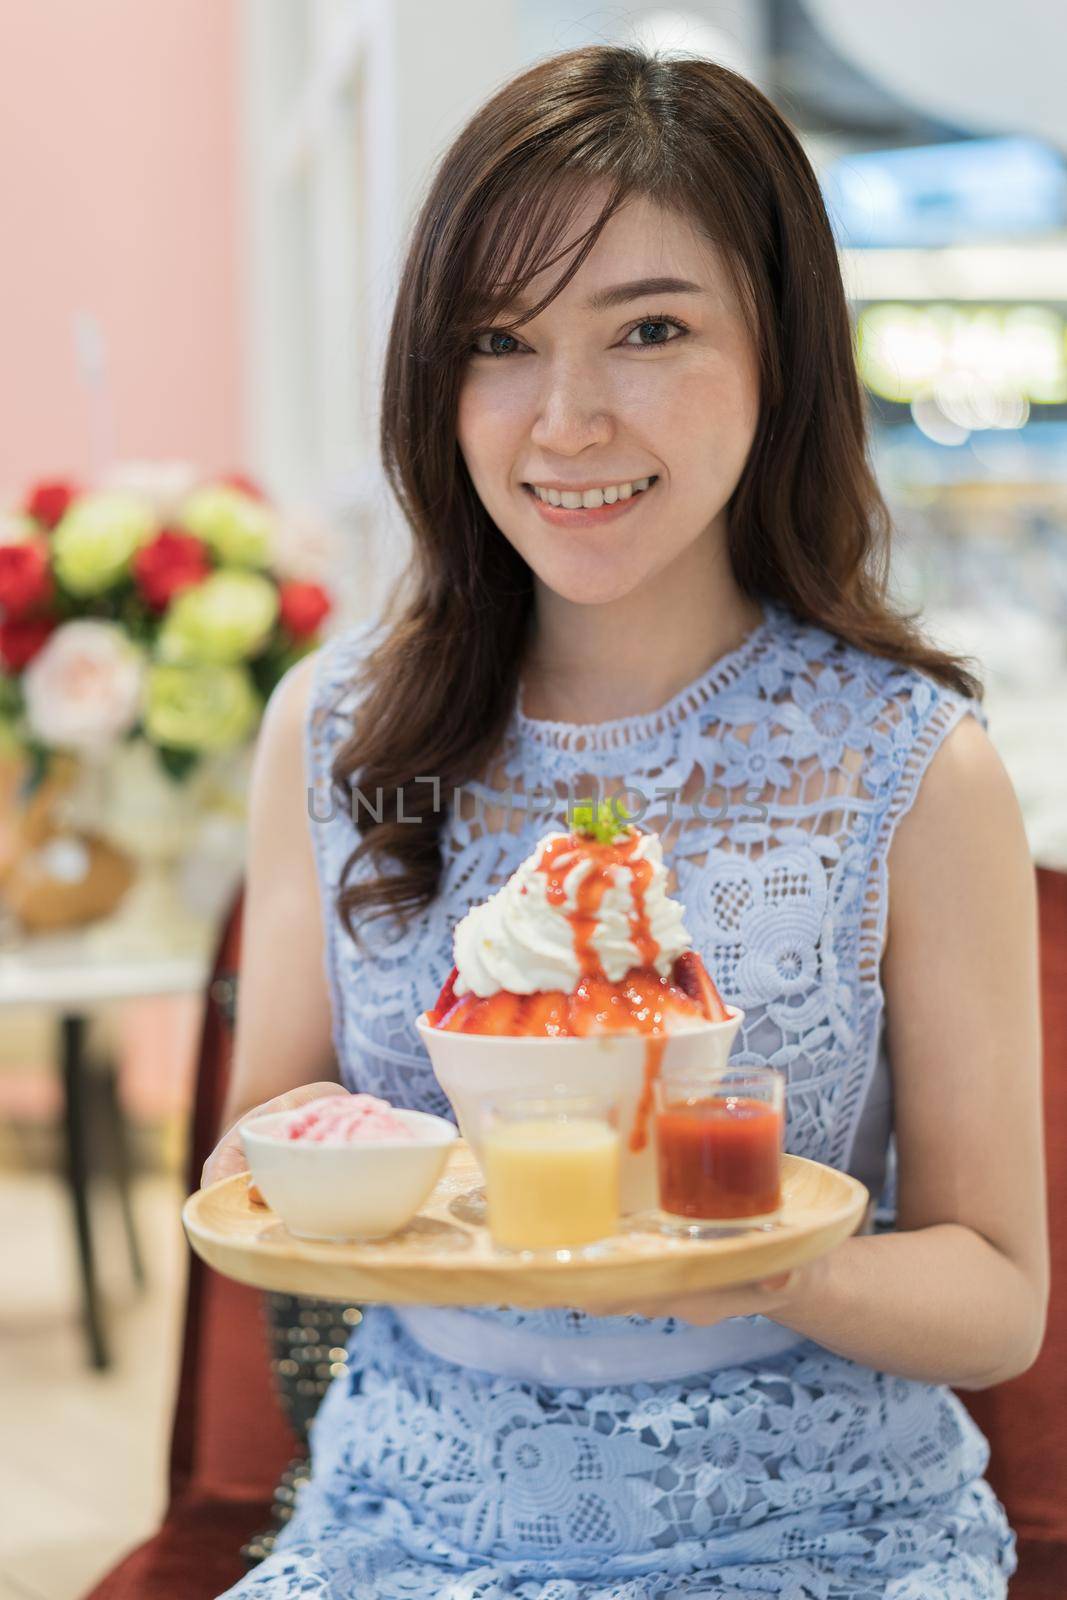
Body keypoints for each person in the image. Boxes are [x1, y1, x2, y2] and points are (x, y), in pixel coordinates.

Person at [204, 45, 1047, 1600]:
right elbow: (261, 1133)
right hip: (405, 1529)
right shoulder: (335, 733)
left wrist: (740, 1245)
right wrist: (410, 1183)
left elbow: (999, 1297)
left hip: (816, 1538)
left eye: (650, 330)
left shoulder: (914, 771)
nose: (568, 421)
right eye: (501, 342)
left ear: (782, 354)